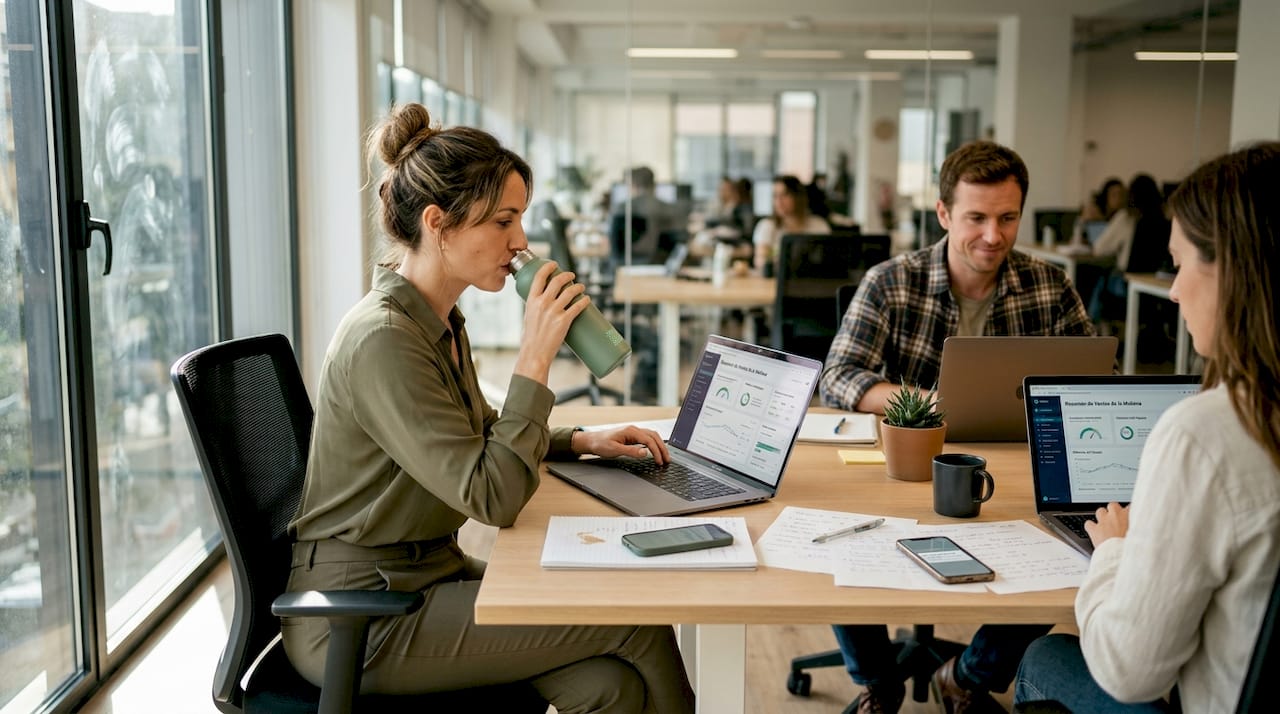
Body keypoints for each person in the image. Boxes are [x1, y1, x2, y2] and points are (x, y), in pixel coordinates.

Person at [282, 103, 695, 713]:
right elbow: (493, 497)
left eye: (520, 219)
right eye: (503, 221)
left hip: (428, 574)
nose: (520, 241)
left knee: (612, 687)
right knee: (632, 619)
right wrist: (534, 357)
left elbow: (476, 436)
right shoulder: (385, 340)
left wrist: (580, 440)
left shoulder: (437, 319)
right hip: (363, 615)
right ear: (437, 223)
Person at [819, 140, 1095, 714]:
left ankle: (968, 675)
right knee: (834, 535)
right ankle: (878, 681)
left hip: (1010, 469)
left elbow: (1096, 383)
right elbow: (838, 377)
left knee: (1075, 547)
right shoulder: (891, 281)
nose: (993, 235)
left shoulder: (1050, 286)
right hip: (904, 468)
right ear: (944, 214)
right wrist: (924, 403)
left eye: (1007, 217)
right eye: (976, 218)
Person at [1014, 142, 1280, 714]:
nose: (1175, 290)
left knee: (1044, 657)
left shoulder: (1208, 433)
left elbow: (1127, 672)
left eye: (1180, 264)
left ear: (1233, 269)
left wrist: (1115, 550)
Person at [1088, 173, 1171, 325]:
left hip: (1126, 288)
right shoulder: (1165, 222)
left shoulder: (1127, 217)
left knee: (1096, 278)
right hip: (1153, 290)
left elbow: (1099, 249)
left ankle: (1090, 330)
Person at [752, 174, 830, 272]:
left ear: (798, 197)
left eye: (785, 195)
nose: (778, 201)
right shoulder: (767, 226)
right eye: (775, 196)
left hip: (813, 282)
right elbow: (760, 261)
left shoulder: (819, 225)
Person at [609, 165, 677, 266]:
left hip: (628, 266)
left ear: (633, 185)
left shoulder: (623, 208)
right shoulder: (669, 208)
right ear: (653, 184)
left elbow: (615, 247)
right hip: (661, 266)